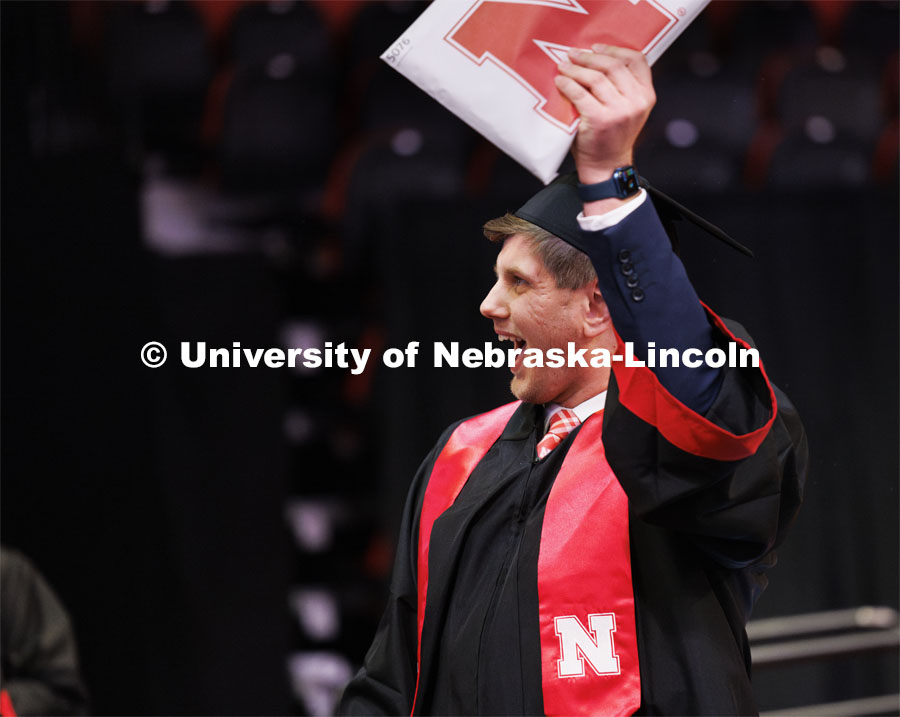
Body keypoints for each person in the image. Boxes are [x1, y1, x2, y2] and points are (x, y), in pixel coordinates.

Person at [339, 45, 807, 715]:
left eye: (518, 282)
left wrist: (612, 187)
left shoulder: (683, 447)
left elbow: (694, 389)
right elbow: (393, 677)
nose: (488, 305)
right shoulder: (459, 457)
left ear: (596, 304)